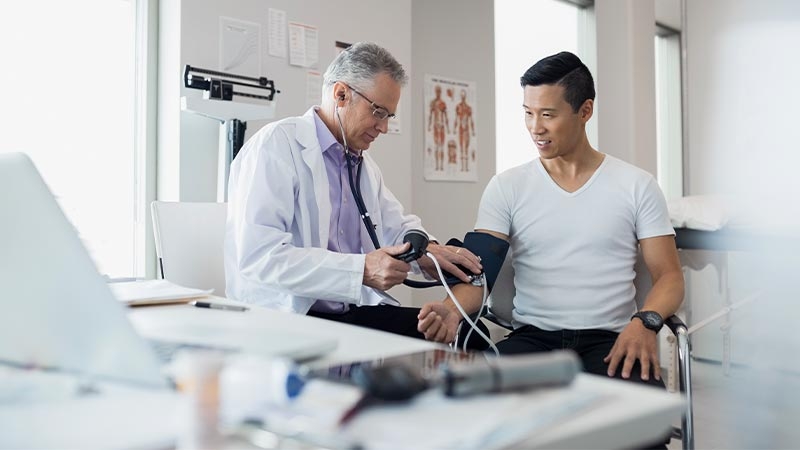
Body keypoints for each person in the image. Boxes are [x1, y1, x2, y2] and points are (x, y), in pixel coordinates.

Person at [418, 52, 684, 395]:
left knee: (641, 427)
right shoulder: (507, 186)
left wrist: (645, 323)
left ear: (585, 111)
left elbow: (670, 276)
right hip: (533, 339)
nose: (535, 128)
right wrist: (450, 310)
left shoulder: (637, 185)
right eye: (528, 114)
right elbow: (480, 271)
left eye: (548, 115)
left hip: (610, 341)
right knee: (479, 409)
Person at [224, 42, 482, 339]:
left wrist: (426, 252)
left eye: (389, 116)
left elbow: (394, 225)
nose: (383, 128)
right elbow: (260, 257)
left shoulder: (361, 164)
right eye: (378, 112)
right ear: (341, 94)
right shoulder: (276, 147)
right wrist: (359, 270)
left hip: (346, 314)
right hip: (287, 319)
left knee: (465, 335)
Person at [428, 84, 450, 171]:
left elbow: (446, 116)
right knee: (437, 146)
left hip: (442, 126)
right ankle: (437, 165)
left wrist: (448, 128)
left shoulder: (443, 103)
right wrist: (429, 126)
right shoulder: (433, 103)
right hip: (436, 125)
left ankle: (442, 166)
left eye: (439, 91)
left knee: (442, 146)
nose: (438, 93)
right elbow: (430, 115)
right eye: (437, 91)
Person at [453, 89, 475, 172]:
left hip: (467, 130)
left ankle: (466, 168)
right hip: (461, 130)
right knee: (462, 149)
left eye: (464, 95)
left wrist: (472, 130)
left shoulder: (468, 108)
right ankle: (462, 167)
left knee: (466, 148)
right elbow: (456, 119)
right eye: (461, 95)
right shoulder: (458, 107)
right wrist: (454, 129)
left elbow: (471, 120)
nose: (462, 97)